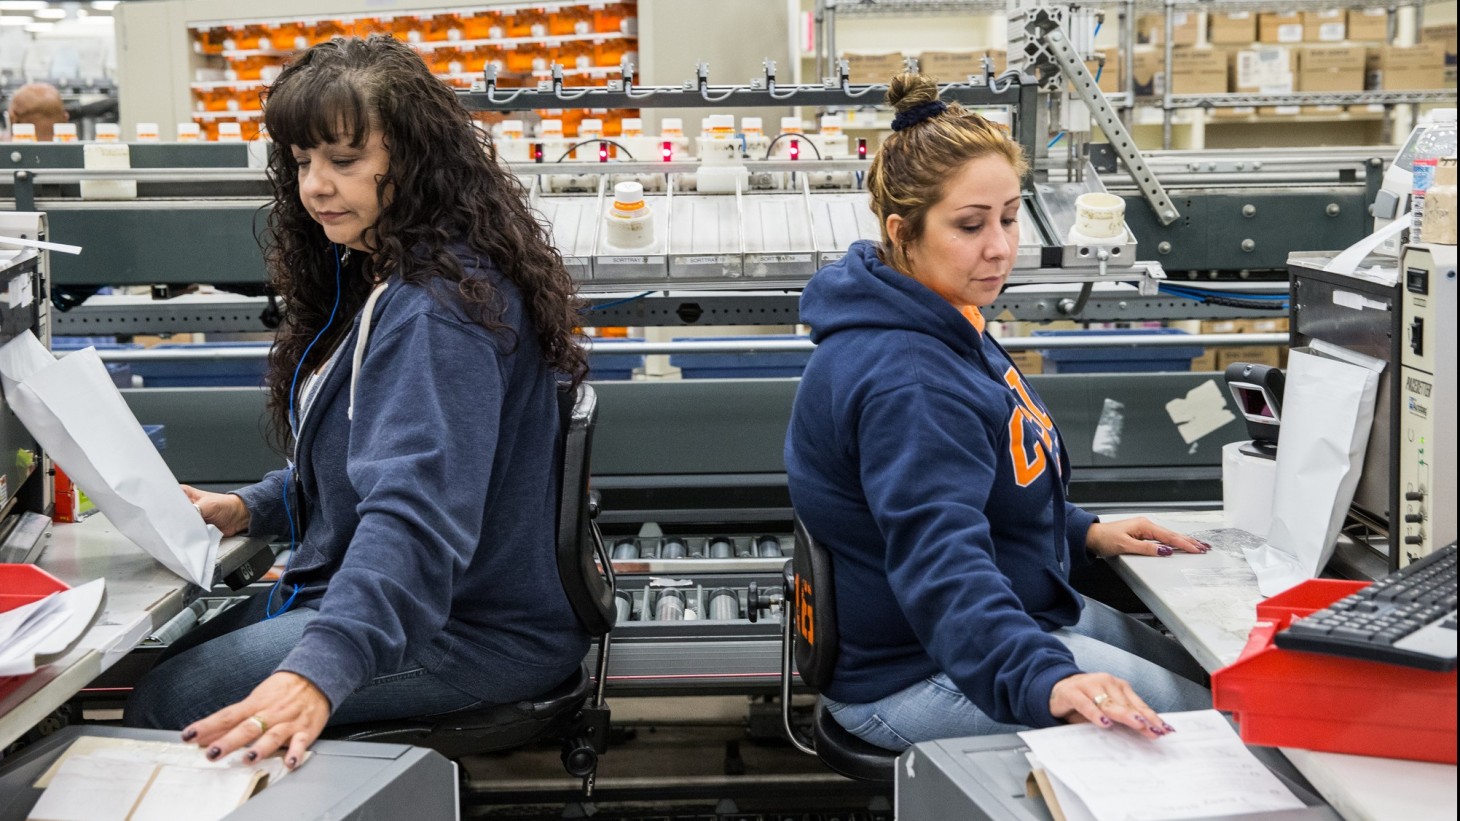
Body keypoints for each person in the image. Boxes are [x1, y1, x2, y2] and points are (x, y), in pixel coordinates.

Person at [124, 35, 591, 769]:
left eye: (344, 161)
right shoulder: (404, 272)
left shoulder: (435, 312)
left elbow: (417, 509)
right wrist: (252, 507)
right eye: (303, 162)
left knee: (169, 700)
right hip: (438, 610)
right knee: (174, 661)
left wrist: (320, 668)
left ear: (413, 160)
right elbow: (371, 451)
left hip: (469, 633)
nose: (315, 187)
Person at [783, 73, 1213, 752]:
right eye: (970, 225)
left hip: (985, 627)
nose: (1000, 247)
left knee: (1223, 687)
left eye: (1009, 217)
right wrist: (1045, 680)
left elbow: (985, 486)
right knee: (1215, 734)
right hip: (918, 671)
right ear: (903, 231)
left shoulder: (943, 315)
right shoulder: (910, 376)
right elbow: (941, 561)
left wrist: (1083, 532)